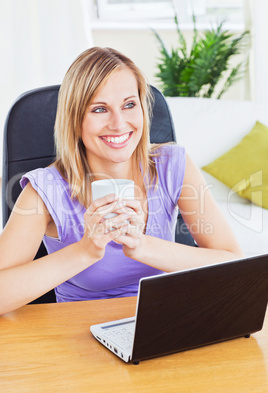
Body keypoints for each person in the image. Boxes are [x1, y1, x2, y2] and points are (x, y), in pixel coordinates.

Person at [0, 47, 243, 315]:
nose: (118, 124)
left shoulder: (173, 165)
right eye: (100, 109)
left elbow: (232, 264)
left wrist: (142, 245)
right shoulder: (45, 189)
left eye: (129, 105)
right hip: (78, 332)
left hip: (161, 323)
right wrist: (85, 251)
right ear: (75, 120)